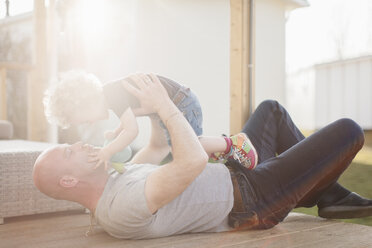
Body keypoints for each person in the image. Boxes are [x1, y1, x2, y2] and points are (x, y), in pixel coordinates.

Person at [33, 74, 372, 240]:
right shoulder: (120, 206)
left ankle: (328, 196)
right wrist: (165, 106)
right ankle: (325, 193)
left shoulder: (115, 177)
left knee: (271, 111)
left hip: (237, 172)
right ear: (68, 179)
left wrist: (153, 111)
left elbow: (155, 149)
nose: (78, 144)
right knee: (349, 131)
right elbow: (192, 161)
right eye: (69, 151)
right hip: (253, 199)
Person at [43, 71, 257, 170]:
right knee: (156, 147)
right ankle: (128, 177)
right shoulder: (111, 95)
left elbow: (132, 131)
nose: (89, 123)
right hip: (166, 105)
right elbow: (128, 120)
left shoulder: (112, 94)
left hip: (179, 103)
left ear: (84, 102)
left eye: (84, 120)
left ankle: (233, 144)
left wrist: (107, 151)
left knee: (186, 147)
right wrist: (117, 132)